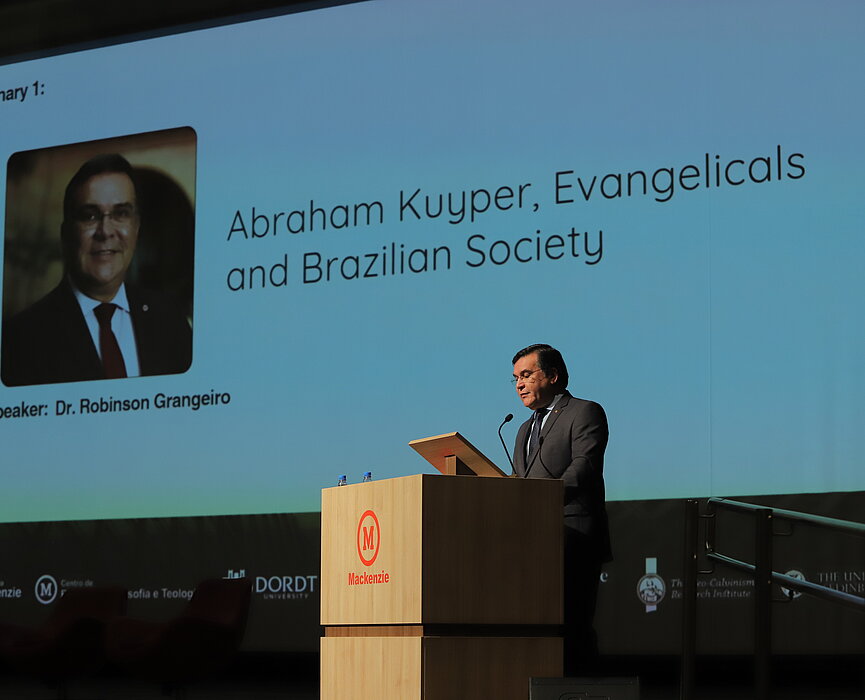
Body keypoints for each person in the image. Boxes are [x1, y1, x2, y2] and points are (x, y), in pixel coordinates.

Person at [1, 153, 192, 387]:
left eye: (121, 213)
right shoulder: (20, 338)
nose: (105, 231)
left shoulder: (170, 319)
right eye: (90, 216)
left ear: (136, 228)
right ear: (66, 233)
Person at [511, 343, 610, 676]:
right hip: (531, 543)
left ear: (553, 375)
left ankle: (581, 692)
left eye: (526, 375)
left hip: (573, 538)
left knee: (573, 627)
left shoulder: (584, 412)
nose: (519, 384)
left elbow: (584, 466)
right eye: (515, 378)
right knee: (537, 627)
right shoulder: (523, 429)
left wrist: (543, 498)